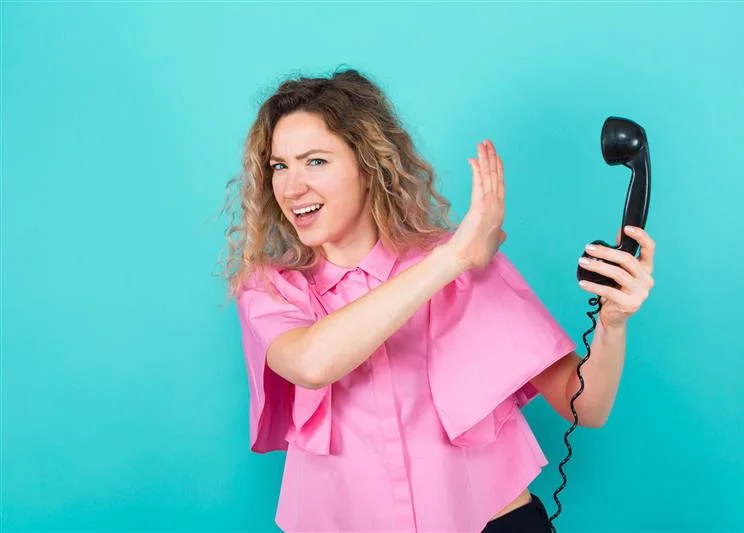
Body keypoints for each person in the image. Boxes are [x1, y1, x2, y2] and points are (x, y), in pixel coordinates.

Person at [221, 67, 656, 532]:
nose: (291, 186)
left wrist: (613, 323)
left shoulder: (465, 262)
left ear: (369, 166)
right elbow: (312, 363)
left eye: (315, 161)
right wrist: (452, 261)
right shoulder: (270, 289)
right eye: (279, 166)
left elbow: (583, 406)